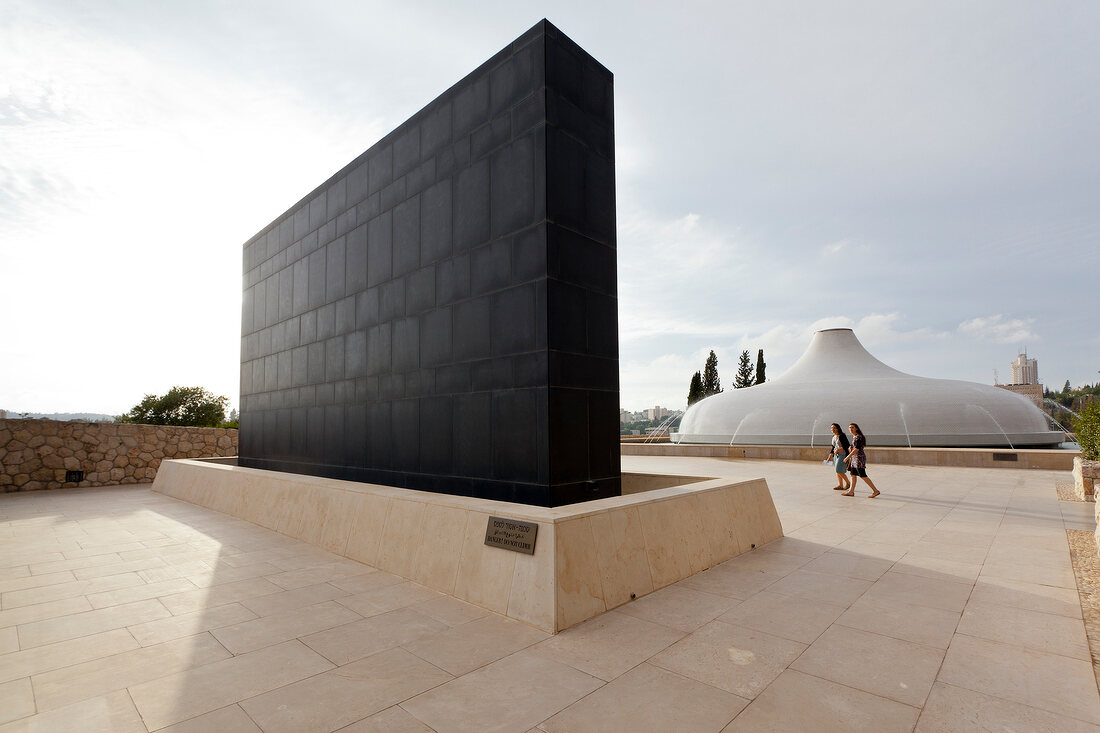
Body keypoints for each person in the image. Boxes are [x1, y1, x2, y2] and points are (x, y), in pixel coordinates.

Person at [841, 422, 880, 498]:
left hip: (859, 459)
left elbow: (857, 449)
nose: (851, 429)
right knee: (853, 475)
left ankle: (875, 491)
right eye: (849, 428)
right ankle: (851, 491)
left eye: (852, 427)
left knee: (862, 475)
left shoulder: (858, 437)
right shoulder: (855, 437)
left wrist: (848, 457)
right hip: (854, 459)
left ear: (856, 428)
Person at [828, 423, 851, 491]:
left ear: (838, 428)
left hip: (843, 455)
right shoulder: (834, 437)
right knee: (837, 471)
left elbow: (846, 446)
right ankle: (840, 485)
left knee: (838, 470)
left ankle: (848, 483)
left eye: (834, 428)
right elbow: (833, 448)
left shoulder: (842, 436)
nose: (833, 429)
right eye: (832, 428)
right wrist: (830, 456)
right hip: (836, 455)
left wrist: (838, 449)